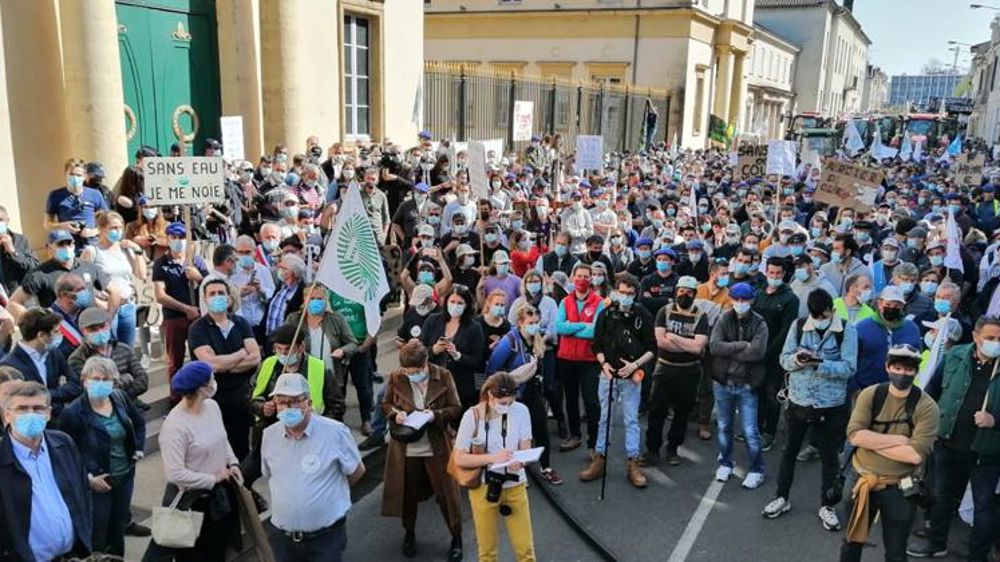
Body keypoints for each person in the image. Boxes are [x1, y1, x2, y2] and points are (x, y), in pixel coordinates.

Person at [762, 289, 858, 531]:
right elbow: (784, 359)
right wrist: (798, 360)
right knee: (789, 453)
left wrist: (819, 364)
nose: (820, 320)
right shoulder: (798, 326)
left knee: (829, 459)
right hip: (798, 402)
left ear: (832, 311)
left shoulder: (847, 330)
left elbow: (848, 368)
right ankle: (781, 497)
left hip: (831, 405)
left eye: (824, 315)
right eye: (816, 316)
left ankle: (827, 505)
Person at [907, 316, 1000, 560]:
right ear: (976, 337)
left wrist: (995, 420)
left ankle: (977, 556)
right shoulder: (955, 356)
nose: (995, 343)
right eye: (990, 338)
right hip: (947, 442)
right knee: (940, 496)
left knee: (984, 506)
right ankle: (936, 543)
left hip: (985, 450)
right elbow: (932, 392)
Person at [840, 345, 939, 562]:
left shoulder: (927, 406)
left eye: (908, 370)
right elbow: (855, 436)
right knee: (850, 544)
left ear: (916, 371)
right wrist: (900, 440)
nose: (902, 374)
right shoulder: (871, 395)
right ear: (887, 367)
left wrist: (872, 440)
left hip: (900, 486)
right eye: (897, 367)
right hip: (862, 480)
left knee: (896, 551)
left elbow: (915, 456)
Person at [258, 369, 364, 562]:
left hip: (326, 540)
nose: (288, 407)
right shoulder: (269, 436)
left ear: (309, 402)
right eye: (282, 402)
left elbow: (356, 471)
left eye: (296, 401)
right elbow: (269, 474)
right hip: (284, 540)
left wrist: (331, 492)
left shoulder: (335, 433)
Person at [143, 361, 243, 562]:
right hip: (191, 505)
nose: (215, 383)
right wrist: (213, 478)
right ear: (203, 388)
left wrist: (232, 463)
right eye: (211, 379)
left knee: (218, 551)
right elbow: (175, 473)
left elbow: (222, 439)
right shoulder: (175, 425)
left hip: (218, 501)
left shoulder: (212, 407)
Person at [381, 341, 464, 560]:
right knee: (408, 494)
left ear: (426, 363)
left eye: (416, 371)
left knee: (447, 495)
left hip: (436, 446)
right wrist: (394, 414)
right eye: (408, 372)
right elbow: (386, 403)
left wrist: (434, 416)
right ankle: (409, 533)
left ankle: (456, 536)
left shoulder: (443, 376)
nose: (412, 375)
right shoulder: (396, 377)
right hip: (406, 449)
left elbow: (456, 408)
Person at [58, 356, 145, 556]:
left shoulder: (119, 399)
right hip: (97, 482)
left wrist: (137, 448)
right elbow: (67, 455)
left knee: (118, 527)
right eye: (95, 378)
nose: (101, 383)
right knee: (98, 532)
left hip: (124, 476)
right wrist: (88, 479)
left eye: (106, 379)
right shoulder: (73, 413)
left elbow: (138, 422)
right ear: (84, 380)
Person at [0, 381, 93, 561]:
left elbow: (83, 494)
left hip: (73, 555)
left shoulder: (64, 444)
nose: (31, 414)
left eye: (38, 408)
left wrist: (85, 534)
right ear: (8, 415)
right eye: (22, 408)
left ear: (49, 413)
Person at [453, 373, 537, 562]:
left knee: (526, 551)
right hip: (484, 487)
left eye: (509, 402)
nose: (505, 406)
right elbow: (459, 458)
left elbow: (526, 448)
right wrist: (492, 458)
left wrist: (521, 461)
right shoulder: (472, 416)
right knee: (487, 553)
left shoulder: (521, 411)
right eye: (501, 401)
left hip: (515, 486)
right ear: (489, 395)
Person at [587, 273, 655, 487]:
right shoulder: (606, 314)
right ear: (615, 291)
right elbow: (596, 344)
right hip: (608, 374)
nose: (625, 297)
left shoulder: (642, 314)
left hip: (631, 376)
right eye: (622, 292)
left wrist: (635, 366)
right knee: (604, 418)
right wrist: (604, 365)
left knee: (631, 420)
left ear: (636, 295)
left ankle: (633, 462)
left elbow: (652, 348)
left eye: (630, 293)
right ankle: (599, 459)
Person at [487, 303, 563, 485]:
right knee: (513, 433)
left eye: (536, 322)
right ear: (520, 323)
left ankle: (545, 467)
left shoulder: (536, 340)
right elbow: (492, 369)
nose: (534, 326)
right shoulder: (509, 343)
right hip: (513, 394)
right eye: (530, 322)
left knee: (540, 429)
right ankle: (516, 470)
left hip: (532, 391)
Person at [188, 277, 261, 461]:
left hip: (241, 396)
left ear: (229, 298)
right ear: (204, 299)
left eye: (221, 293)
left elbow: (255, 357)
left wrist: (224, 364)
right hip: (213, 398)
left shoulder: (241, 323)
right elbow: (212, 365)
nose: (217, 297)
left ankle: (242, 487)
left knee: (242, 447)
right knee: (217, 448)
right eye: (212, 294)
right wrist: (239, 354)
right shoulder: (198, 329)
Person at [644, 275, 710, 466]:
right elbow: (661, 342)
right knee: (656, 412)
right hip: (664, 369)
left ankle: (673, 449)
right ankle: (652, 450)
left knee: (682, 413)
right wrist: (685, 343)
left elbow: (698, 348)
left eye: (689, 292)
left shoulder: (700, 316)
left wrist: (672, 336)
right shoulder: (664, 311)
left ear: (694, 294)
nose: (684, 295)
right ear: (676, 292)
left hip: (689, 372)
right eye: (681, 291)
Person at [708, 282, 768, 488]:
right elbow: (714, 346)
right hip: (723, 381)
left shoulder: (760, 324)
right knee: (724, 426)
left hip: (747, 384)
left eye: (744, 300)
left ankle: (757, 468)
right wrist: (742, 345)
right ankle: (726, 462)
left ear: (752, 300)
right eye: (736, 299)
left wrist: (730, 349)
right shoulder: (724, 318)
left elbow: (758, 352)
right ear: (731, 299)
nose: (740, 303)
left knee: (750, 430)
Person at [555, 263, 605, 453]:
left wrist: (572, 327)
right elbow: (559, 327)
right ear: (572, 278)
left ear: (591, 279)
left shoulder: (599, 302)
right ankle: (574, 435)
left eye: (586, 276)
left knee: (592, 402)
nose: (582, 280)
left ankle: (594, 443)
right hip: (566, 359)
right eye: (579, 276)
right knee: (571, 400)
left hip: (589, 360)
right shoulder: (565, 301)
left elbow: (596, 331)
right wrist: (582, 326)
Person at [152, 221, 208, 392]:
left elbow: (210, 286)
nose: (178, 240)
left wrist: (198, 277)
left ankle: (199, 394)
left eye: (182, 237)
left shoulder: (195, 261)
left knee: (199, 358)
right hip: (174, 319)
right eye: (174, 237)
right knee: (175, 362)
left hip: (197, 319)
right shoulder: (161, 263)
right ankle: (176, 399)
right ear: (168, 239)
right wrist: (186, 309)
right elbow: (160, 296)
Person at [753, 257, 800, 451]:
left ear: (784, 274)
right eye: (771, 273)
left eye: (778, 274)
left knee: (771, 394)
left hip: (774, 355)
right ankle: (755, 427)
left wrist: (768, 350)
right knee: (755, 393)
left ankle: (768, 433)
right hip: (755, 352)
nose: (774, 276)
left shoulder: (790, 299)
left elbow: (786, 330)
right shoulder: (759, 293)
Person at [0, 309, 82, 417]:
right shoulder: (9, 365)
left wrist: (48, 394)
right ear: (41, 336)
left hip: (58, 417)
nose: (60, 335)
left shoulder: (54, 354)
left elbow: (76, 385)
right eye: (56, 332)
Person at [68, 307, 149, 408]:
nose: (99, 331)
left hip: (130, 407)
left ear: (109, 325)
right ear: (83, 331)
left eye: (102, 326)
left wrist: (118, 393)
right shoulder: (77, 358)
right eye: (93, 329)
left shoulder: (124, 349)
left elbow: (143, 381)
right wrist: (127, 378)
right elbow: (91, 392)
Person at [87, 210, 146, 348]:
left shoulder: (125, 249)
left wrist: (137, 249)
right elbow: (83, 282)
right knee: (109, 349)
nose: (117, 232)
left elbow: (141, 274)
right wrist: (96, 301)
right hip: (106, 307)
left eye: (120, 228)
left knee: (127, 350)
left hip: (127, 307)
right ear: (101, 229)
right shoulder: (92, 251)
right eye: (113, 228)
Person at [421, 284, 484, 410]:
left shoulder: (474, 328)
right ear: (446, 302)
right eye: (452, 301)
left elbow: (477, 360)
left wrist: (458, 356)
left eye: (460, 303)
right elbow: (419, 351)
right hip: (433, 383)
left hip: (460, 387)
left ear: (466, 305)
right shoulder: (433, 320)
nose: (455, 306)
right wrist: (434, 350)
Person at [851, 286, 922, 396]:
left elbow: (917, 359)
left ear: (903, 306)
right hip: (866, 389)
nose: (893, 308)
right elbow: (851, 360)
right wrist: (855, 388)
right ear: (880, 304)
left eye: (897, 305)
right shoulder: (861, 328)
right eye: (888, 304)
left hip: (900, 391)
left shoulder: (912, 329)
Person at [10, 229, 104, 310]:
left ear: (74, 245)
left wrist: (109, 311)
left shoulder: (87, 266)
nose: (66, 248)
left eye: (69, 243)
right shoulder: (39, 274)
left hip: (92, 325)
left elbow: (112, 290)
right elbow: (14, 302)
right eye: (61, 244)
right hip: (63, 327)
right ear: (50, 248)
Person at [0, 205, 39, 295]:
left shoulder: (20, 240)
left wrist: (13, 252)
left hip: (20, 296)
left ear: (7, 221)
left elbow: (34, 267)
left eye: (0, 220)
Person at [265, 254, 306, 337]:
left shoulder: (302, 292)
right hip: (269, 337)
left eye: (284, 268)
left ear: (294, 272)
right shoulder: (280, 286)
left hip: (285, 341)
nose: (280, 270)